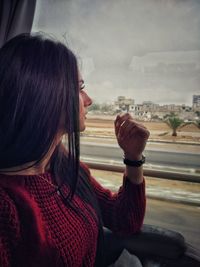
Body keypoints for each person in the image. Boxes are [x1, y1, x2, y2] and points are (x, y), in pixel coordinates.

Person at [0, 33, 150, 267]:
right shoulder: (6, 207)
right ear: (45, 94)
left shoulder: (63, 165)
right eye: (79, 88)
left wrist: (133, 158)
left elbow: (124, 220)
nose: (88, 100)